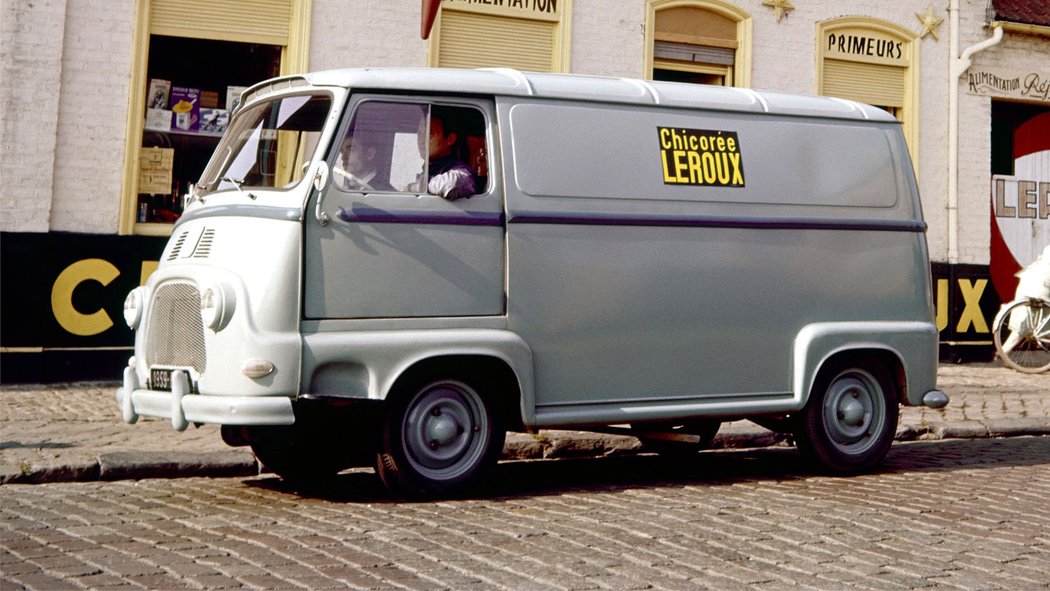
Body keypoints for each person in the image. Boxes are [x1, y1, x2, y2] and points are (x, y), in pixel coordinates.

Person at [416, 108, 476, 200]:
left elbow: (455, 183)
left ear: (450, 139)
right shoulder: (429, 170)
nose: (421, 140)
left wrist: (418, 187)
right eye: (419, 134)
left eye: (429, 135)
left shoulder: (460, 169)